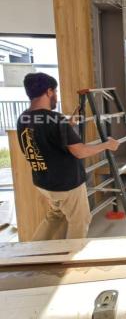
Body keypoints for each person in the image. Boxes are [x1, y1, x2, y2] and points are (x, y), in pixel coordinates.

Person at [17, 72, 120, 240]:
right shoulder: (55, 119)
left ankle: (33, 250)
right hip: (67, 185)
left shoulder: (23, 118)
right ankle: (72, 255)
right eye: (56, 91)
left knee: (55, 216)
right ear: (49, 91)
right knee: (80, 221)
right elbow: (79, 151)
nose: (56, 96)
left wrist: (69, 123)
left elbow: (46, 135)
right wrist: (107, 145)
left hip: (44, 182)